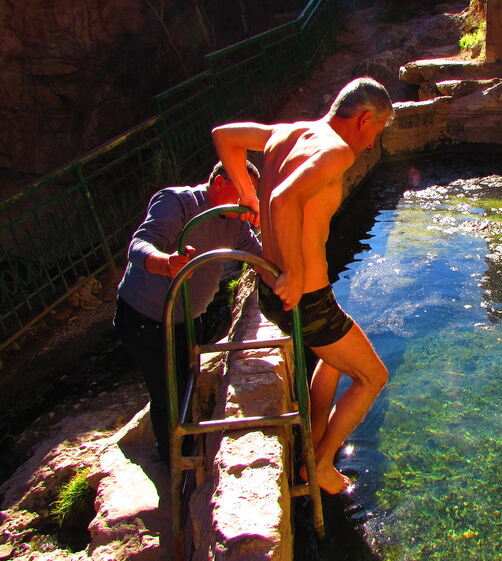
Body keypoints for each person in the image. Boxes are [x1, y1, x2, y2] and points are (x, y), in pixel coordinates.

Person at [212, 77, 394, 494]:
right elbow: (284, 199)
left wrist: (246, 195)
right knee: (372, 377)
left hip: (272, 290)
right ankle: (320, 467)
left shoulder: (285, 133)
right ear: (365, 119)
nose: (370, 146)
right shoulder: (335, 151)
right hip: (304, 299)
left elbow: (223, 137)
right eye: (376, 133)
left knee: (332, 359)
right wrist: (294, 271)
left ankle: (311, 445)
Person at [114, 161, 263, 464]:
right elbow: (139, 244)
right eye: (243, 191)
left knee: (184, 382)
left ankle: (185, 449)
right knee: (169, 390)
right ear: (219, 183)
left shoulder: (234, 223)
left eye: (251, 194)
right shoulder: (178, 202)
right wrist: (165, 262)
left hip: (186, 319)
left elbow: (260, 256)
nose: (246, 200)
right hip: (146, 318)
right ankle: (177, 462)